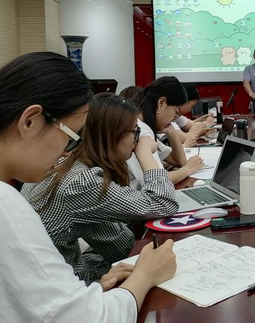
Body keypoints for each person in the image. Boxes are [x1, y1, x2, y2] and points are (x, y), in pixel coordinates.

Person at [0, 52, 176, 323]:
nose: (68, 151)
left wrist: (94, 288)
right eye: (72, 136)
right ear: (30, 121)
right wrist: (145, 275)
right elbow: (84, 318)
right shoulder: (0, 200)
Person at [22, 93, 178, 285]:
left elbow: (121, 247)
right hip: (64, 287)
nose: (137, 140)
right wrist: (145, 153)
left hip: (51, 278)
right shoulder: (81, 183)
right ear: (111, 134)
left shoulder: (62, 164)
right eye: (134, 132)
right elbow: (164, 203)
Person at [127, 76, 203, 188]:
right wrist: (188, 169)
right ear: (161, 103)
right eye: (176, 112)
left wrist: (171, 131)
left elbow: (179, 160)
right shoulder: (141, 130)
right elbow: (158, 181)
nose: (174, 118)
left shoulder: (144, 125)